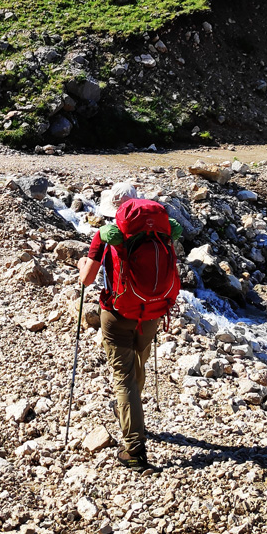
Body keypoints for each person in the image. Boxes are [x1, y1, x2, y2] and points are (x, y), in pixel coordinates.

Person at [77, 182, 162, 472]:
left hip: (116, 313)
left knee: (123, 379)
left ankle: (135, 452)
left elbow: (87, 279)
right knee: (138, 362)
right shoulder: (158, 230)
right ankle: (130, 410)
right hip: (151, 312)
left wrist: (82, 265)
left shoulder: (105, 234)